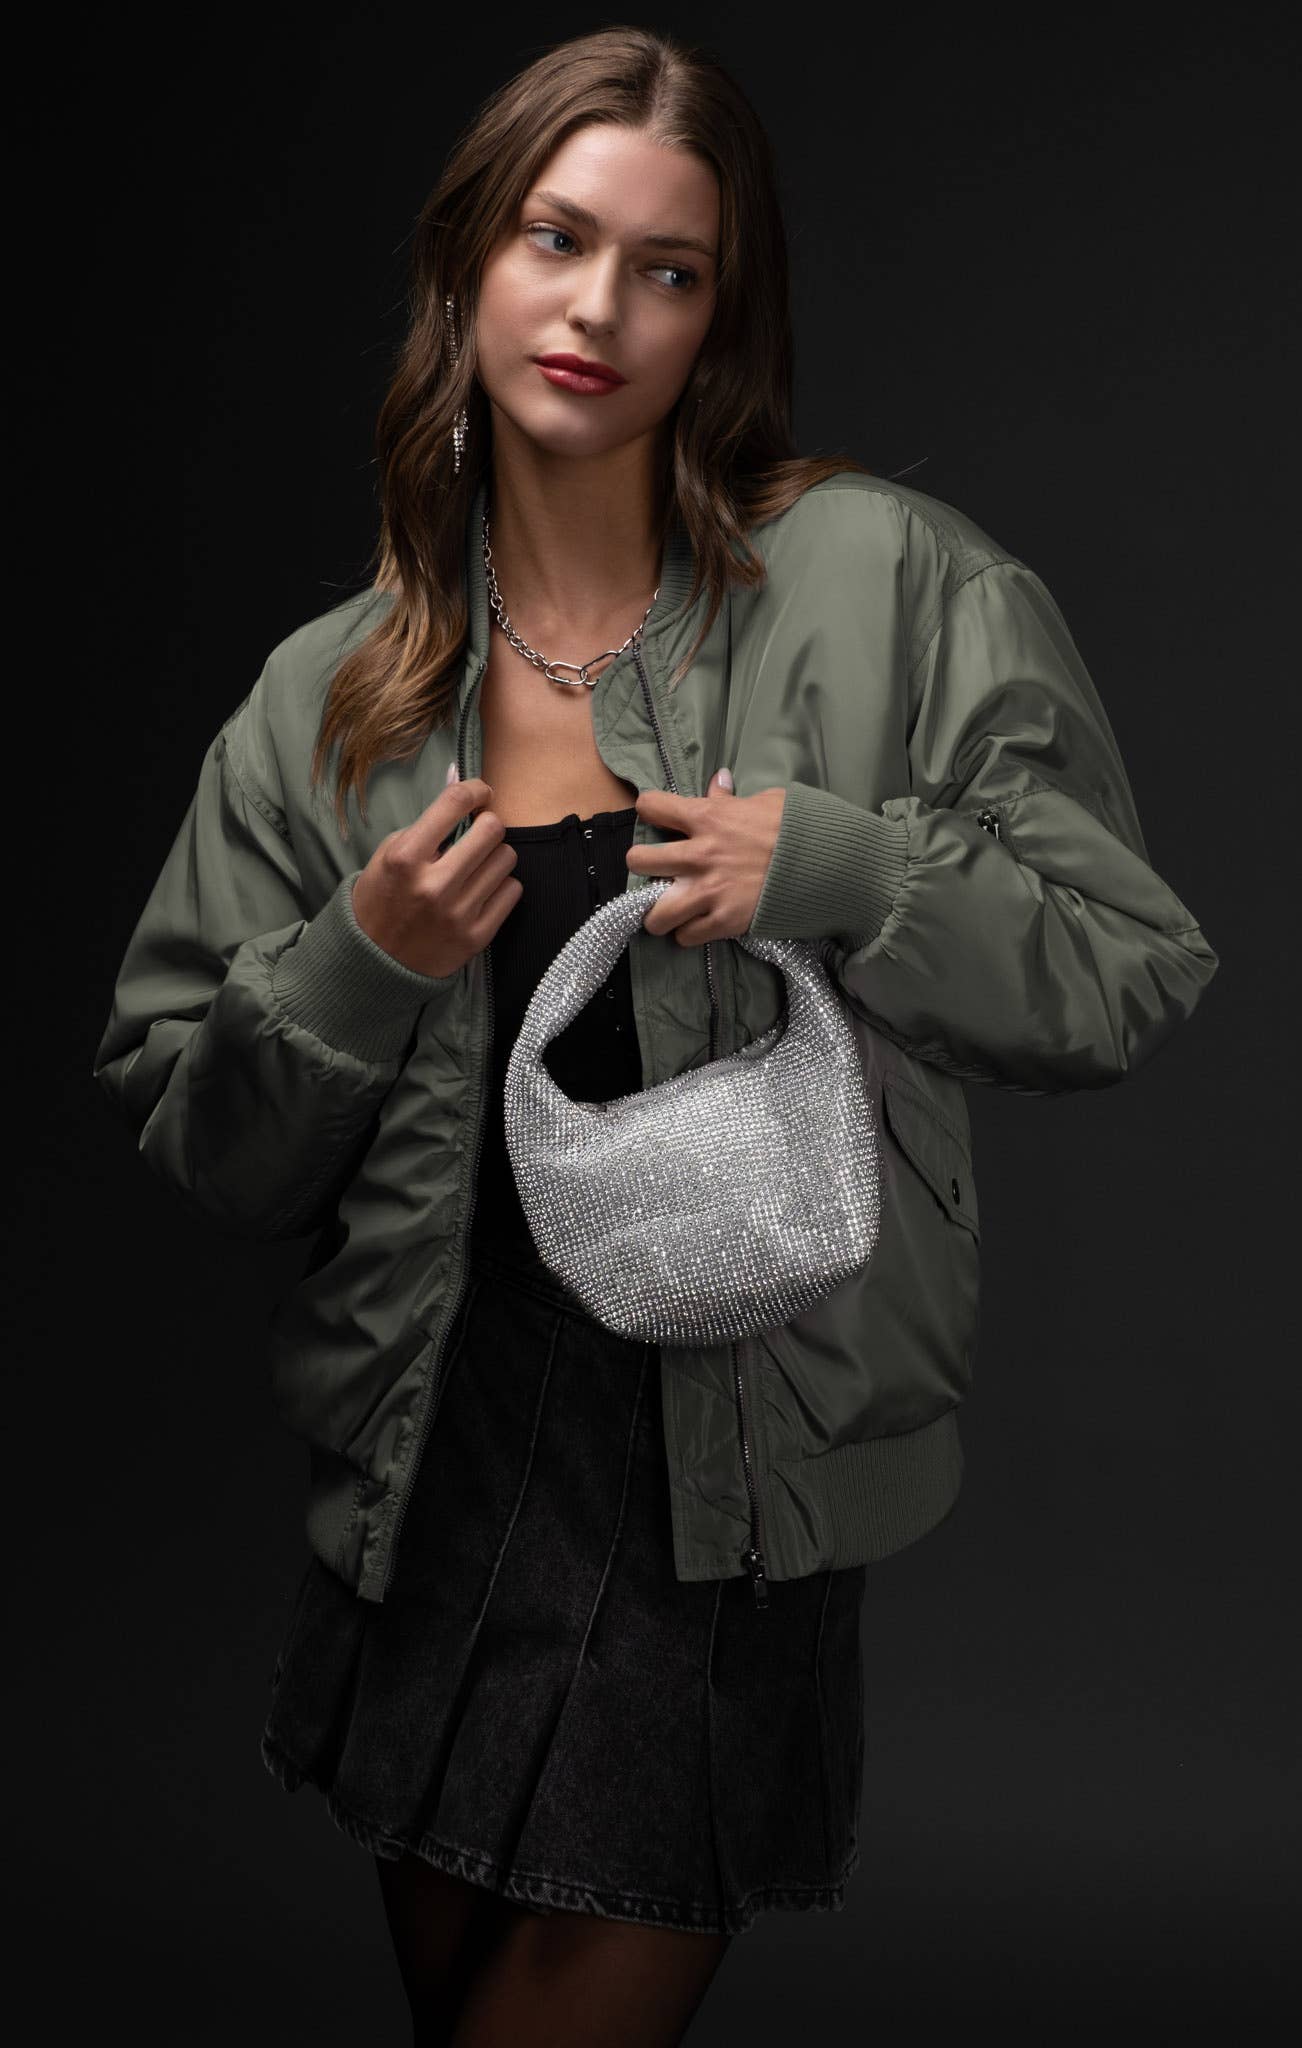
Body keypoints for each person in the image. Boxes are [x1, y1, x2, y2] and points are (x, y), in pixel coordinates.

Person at [91, 25, 1220, 2048]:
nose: (600, 307)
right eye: (555, 238)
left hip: (725, 1503)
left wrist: (857, 874)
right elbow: (197, 1132)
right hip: (432, 1487)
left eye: (669, 266)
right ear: (469, 269)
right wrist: (356, 960)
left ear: (724, 315)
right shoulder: (328, 699)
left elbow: (1124, 964)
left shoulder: (885, 581)